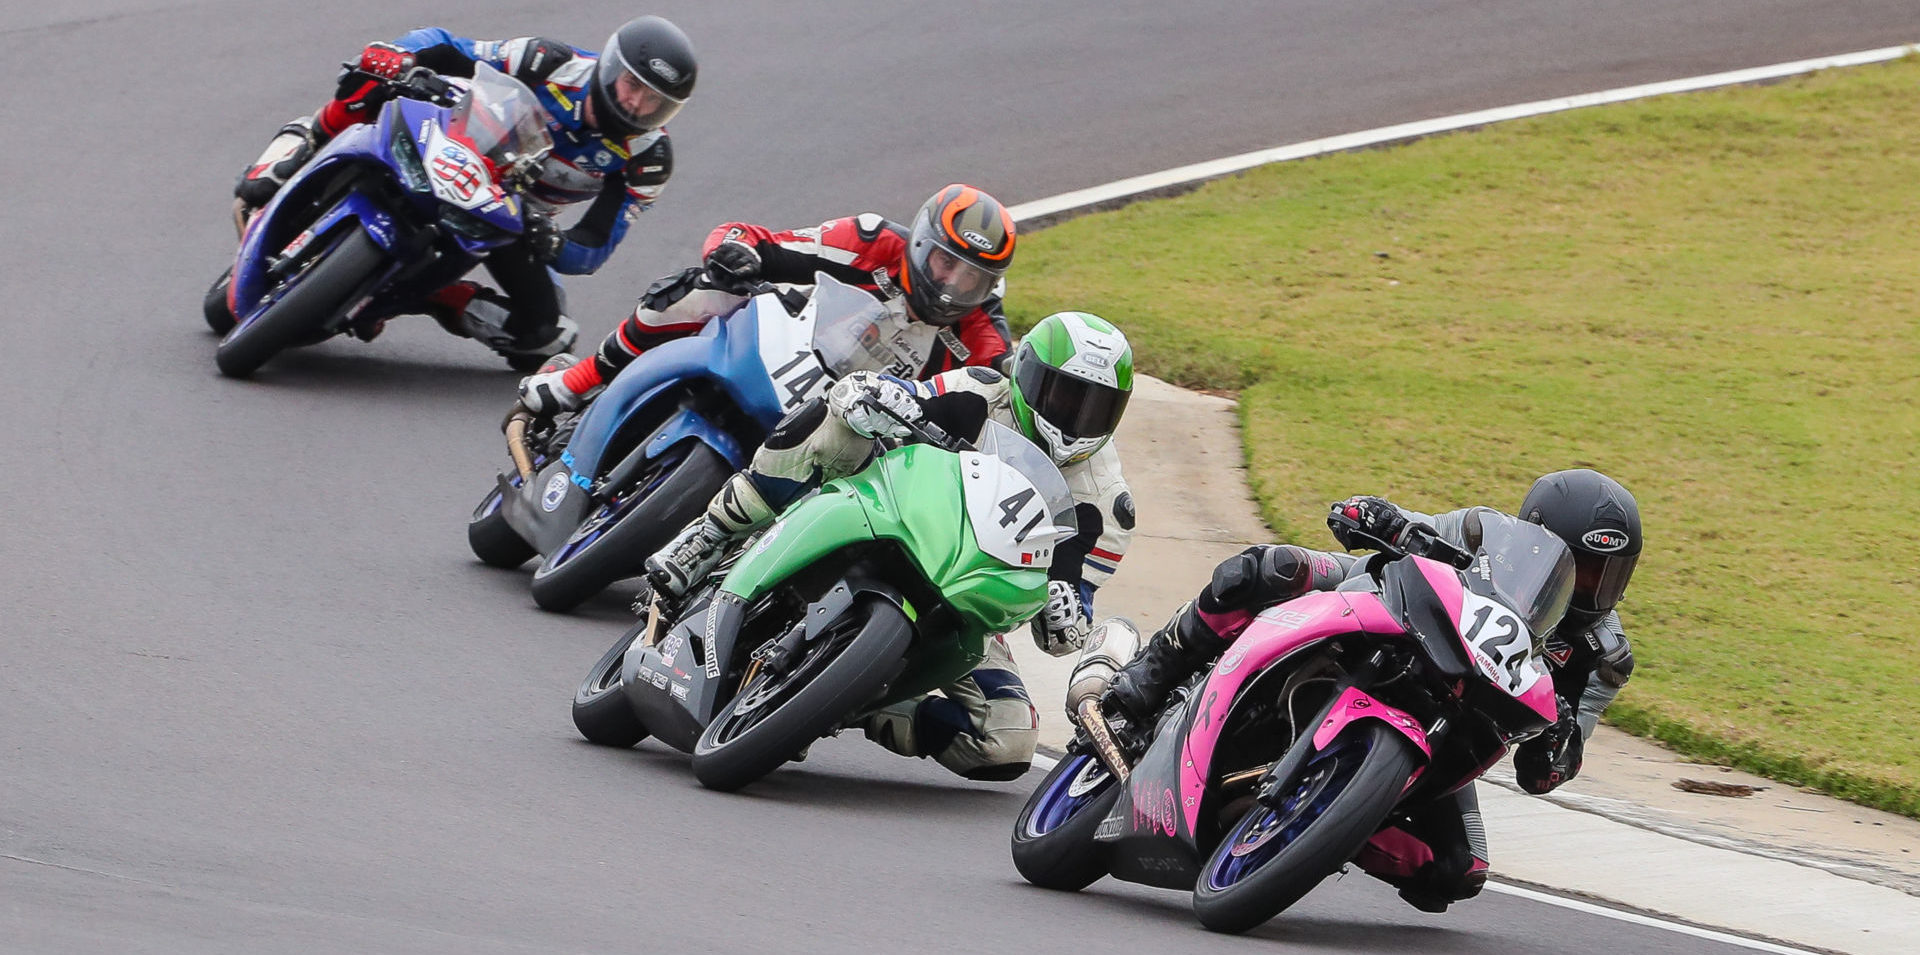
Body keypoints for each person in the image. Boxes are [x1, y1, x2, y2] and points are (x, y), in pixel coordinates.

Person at [1105, 468, 1643, 911]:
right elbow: (1414, 529)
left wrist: (1561, 745)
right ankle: (1148, 680)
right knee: (1268, 568)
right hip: (1377, 611)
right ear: (1538, 537)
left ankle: (1325, 822)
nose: (1595, 587)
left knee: (1459, 869)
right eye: (1585, 568)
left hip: (1452, 719)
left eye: (1609, 574)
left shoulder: (1605, 657)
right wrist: (1380, 518)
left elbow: (1549, 764)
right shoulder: (1483, 533)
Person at [644, 311, 1138, 780]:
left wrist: (1066, 612)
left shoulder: (1108, 504)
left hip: (969, 593)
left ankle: (842, 700)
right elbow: (901, 398)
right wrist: (875, 396)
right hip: (890, 513)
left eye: (1096, 406)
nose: (1075, 417)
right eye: (1064, 395)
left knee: (1007, 742)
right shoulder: (979, 392)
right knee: (840, 413)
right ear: (1026, 374)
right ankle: (710, 535)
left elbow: (1069, 619)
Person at [233, 17, 695, 366]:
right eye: (634, 85)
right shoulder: (548, 60)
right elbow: (450, 47)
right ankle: (304, 145)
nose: (637, 104)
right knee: (376, 77)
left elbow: (594, 247)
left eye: (654, 100)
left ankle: (437, 296)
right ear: (613, 67)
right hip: (458, 144)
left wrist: (552, 240)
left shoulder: (649, 159)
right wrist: (400, 54)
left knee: (545, 336)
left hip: (509, 211)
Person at [514, 184, 1017, 414]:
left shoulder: (984, 333)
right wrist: (733, 254)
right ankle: (581, 379)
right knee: (695, 291)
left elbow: (1007, 395)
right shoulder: (872, 240)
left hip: (852, 420)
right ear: (922, 245)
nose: (952, 284)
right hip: (790, 347)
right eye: (945, 263)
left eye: (971, 279)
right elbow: (747, 234)